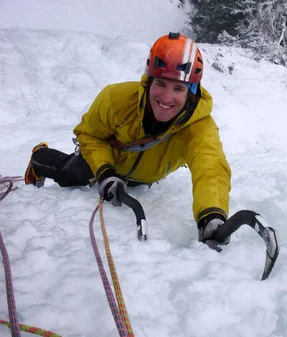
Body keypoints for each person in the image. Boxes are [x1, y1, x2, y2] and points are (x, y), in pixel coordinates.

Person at [23, 32, 232, 249]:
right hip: (108, 163)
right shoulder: (117, 99)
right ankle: (39, 158)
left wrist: (211, 213)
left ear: (192, 92)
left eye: (178, 88)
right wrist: (105, 173)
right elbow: (90, 134)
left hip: (145, 175)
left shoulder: (199, 126)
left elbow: (211, 168)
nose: (167, 98)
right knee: (70, 174)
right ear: (149, 81)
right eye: (160, 83)